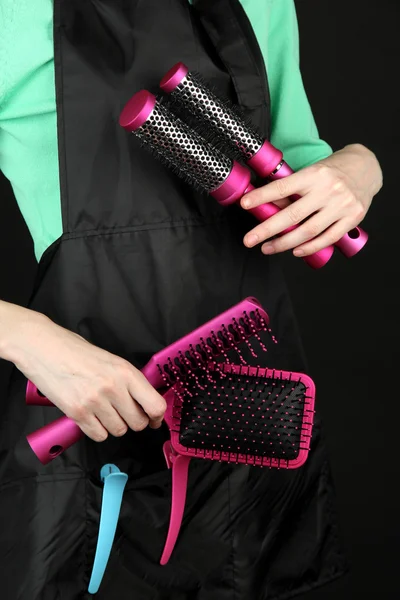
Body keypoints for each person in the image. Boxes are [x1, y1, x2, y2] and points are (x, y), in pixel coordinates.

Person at [0, 1, 382, 599]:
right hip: (93, 418)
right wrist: (26, 337)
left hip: (253, 415)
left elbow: (300, 165)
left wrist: (361, 169)